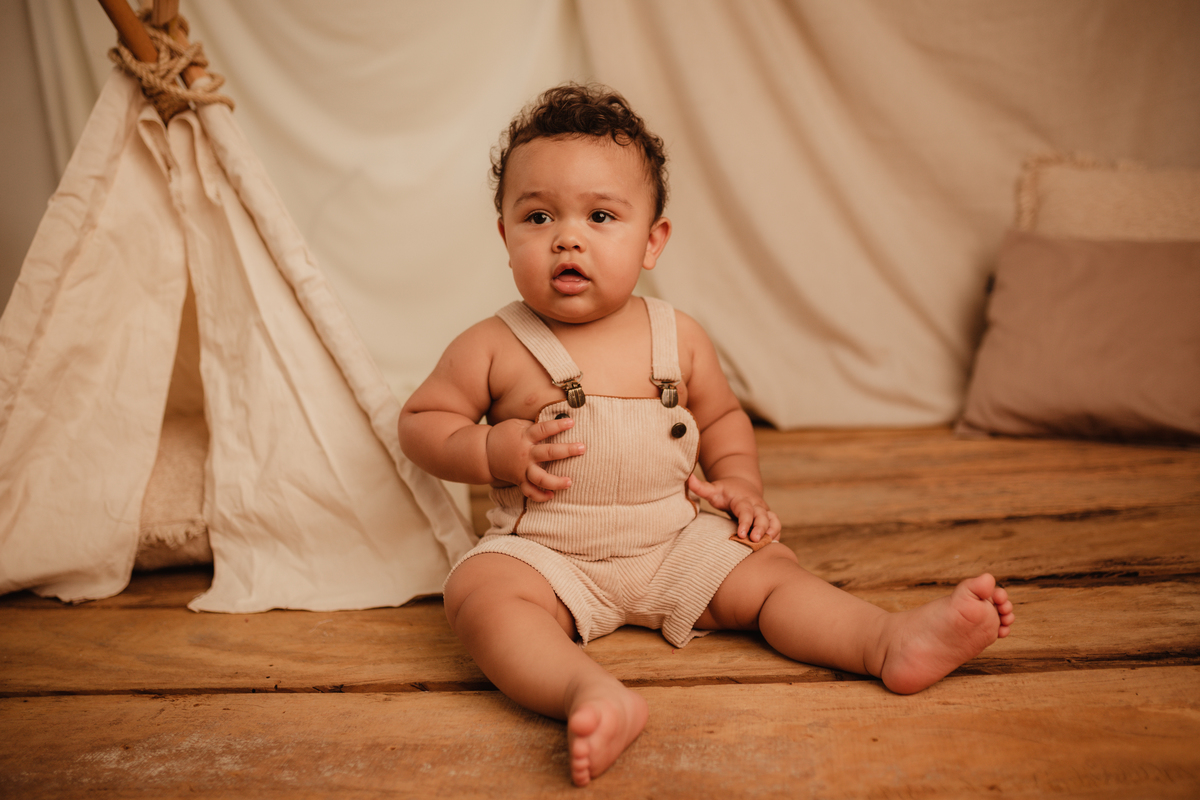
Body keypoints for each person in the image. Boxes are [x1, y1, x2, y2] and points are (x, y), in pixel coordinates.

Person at [398, 83, 1015, 788]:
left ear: (653, 239)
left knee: (771, 574)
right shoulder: (493, 344)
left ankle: (885, 641)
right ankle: (586, 693)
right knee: (479, 594)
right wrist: (487, 450)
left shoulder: (677, 336)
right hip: (548, 554)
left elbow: (724, 418)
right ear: (506, 236)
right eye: (539, 216)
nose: (568, 237)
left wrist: (741, 485)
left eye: (601, 215)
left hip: (672, 539)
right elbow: (421, 423)